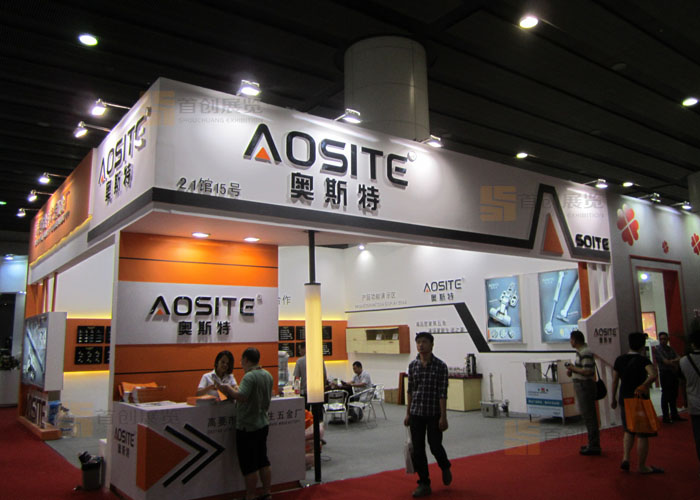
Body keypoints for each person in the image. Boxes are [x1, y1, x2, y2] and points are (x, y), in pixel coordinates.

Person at [403, 332, 451, 498]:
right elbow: (410, 391)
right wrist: (408, 413)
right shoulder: (413, 366)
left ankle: (444, 465)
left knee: (435, 445)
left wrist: (443, 416)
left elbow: (442, 393)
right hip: (416, 413)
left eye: (424, 342)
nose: (421, 345)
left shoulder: (440, 366)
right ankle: (424, 483)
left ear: (431, 344)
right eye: (418, 342)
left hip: (433, 413)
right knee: (418, 450)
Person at [223, 347, 274, 500]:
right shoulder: (267, 375)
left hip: (247, 426)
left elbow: (242, 396)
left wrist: (227, 388)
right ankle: (267, 493)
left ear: (245, 359)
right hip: (262, 423)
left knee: (249, 464)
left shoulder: (249, 377)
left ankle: (250, 495)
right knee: (263, 460)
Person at [611, 332, 663, 474]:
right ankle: (641, 466)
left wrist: (613, 398)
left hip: (624, 397)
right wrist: (644, 385)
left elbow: (615, 381)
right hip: (639, 399)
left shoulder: (620, 360)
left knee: (628, 430)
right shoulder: (643, 360)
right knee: (642, 433)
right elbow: (653, 374)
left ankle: (626, 458)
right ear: (642, 345)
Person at [566, 330, 601, 455]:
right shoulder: (580, 352)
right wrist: (572, 370)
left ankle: (594, 445)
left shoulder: (585, 352)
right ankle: (592, 443)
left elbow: (588, 371)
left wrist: (573, 368)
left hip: (585, 386)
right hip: (582, 385)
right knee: (587, 415)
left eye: (571, 339)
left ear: (575, 340)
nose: (570, 342)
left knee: (589, 416)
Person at [679, 329, 700, 476]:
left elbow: (682, 380)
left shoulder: (683, 361)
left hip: (694, 403)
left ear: (692, 344)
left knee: (698, 437)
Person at [653, 331, 685, 423]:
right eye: (661, 339)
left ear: (667, 339)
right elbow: (665, 362)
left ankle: (674, 414)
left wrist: (671, 361)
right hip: (665, 374)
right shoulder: (658, 349)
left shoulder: (670, 349)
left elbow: (679, 358)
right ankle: (666, 416)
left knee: (674, 394)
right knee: (666, 395)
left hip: (673, 373)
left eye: (664, 339)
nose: (663, 341)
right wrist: (673, 361)